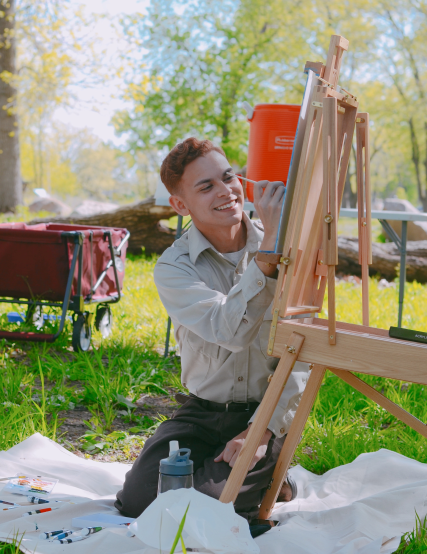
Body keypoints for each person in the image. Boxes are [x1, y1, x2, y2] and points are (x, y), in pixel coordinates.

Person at [115, 137, 310, 522]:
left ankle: (272, 475)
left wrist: (262, 433)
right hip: (201, 413)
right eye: (206, 187)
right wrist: (267, 253)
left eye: (228, 177)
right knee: (136, 500)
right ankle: (246, 477)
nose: (227, 191)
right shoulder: (174, 268)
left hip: (263, 413)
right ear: (180, 205)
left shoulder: (294, 254)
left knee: (205, 506)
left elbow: (302, 358)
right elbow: (230, 331)